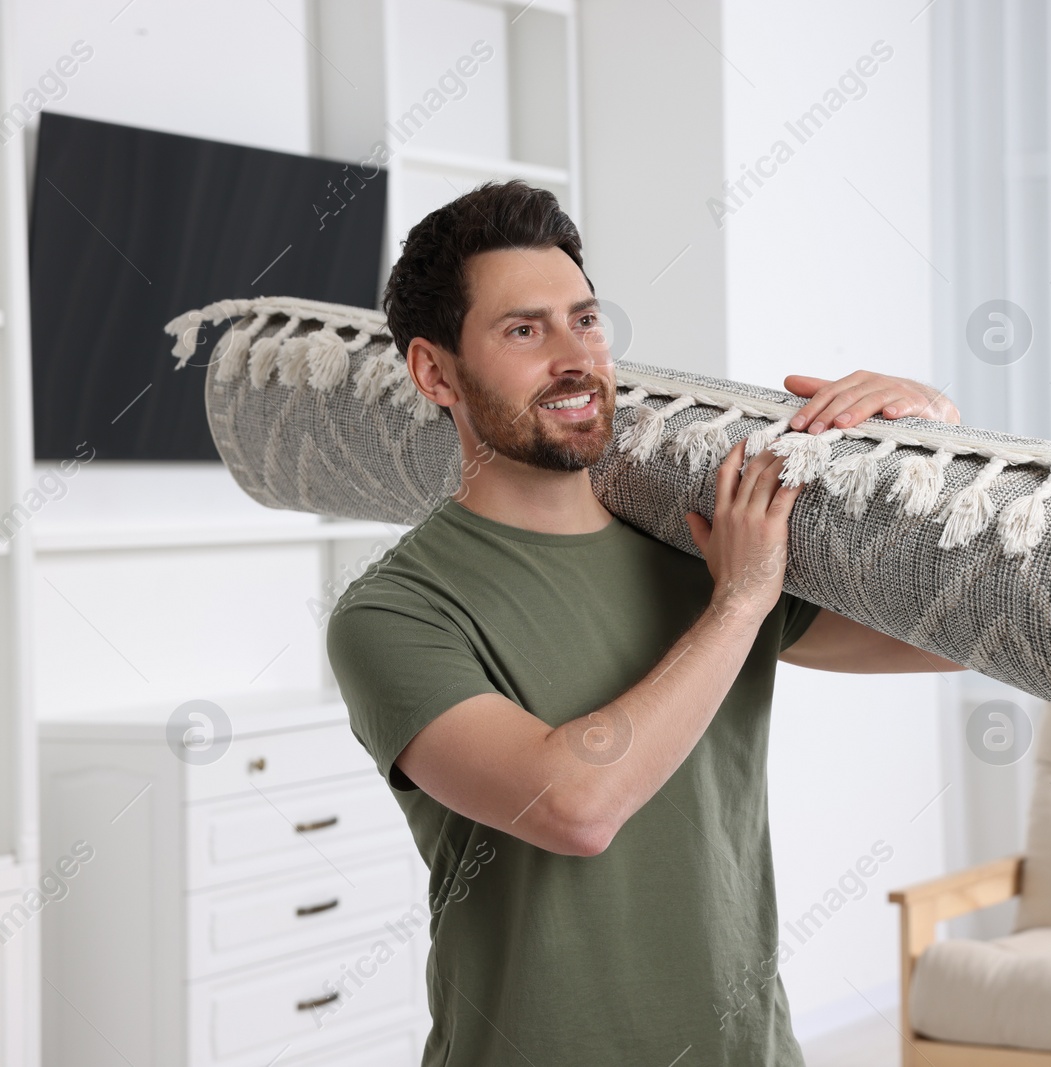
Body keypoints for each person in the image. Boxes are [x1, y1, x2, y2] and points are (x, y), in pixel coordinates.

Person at [326, 179, 965, 1066]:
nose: (575, 357)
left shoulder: (701, 545)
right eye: (524, 330)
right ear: (436, 373)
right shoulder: (394, 612)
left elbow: (960, 642)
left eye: (585, 320)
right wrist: (739, 603)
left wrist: (937, 445)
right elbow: (576, 806)